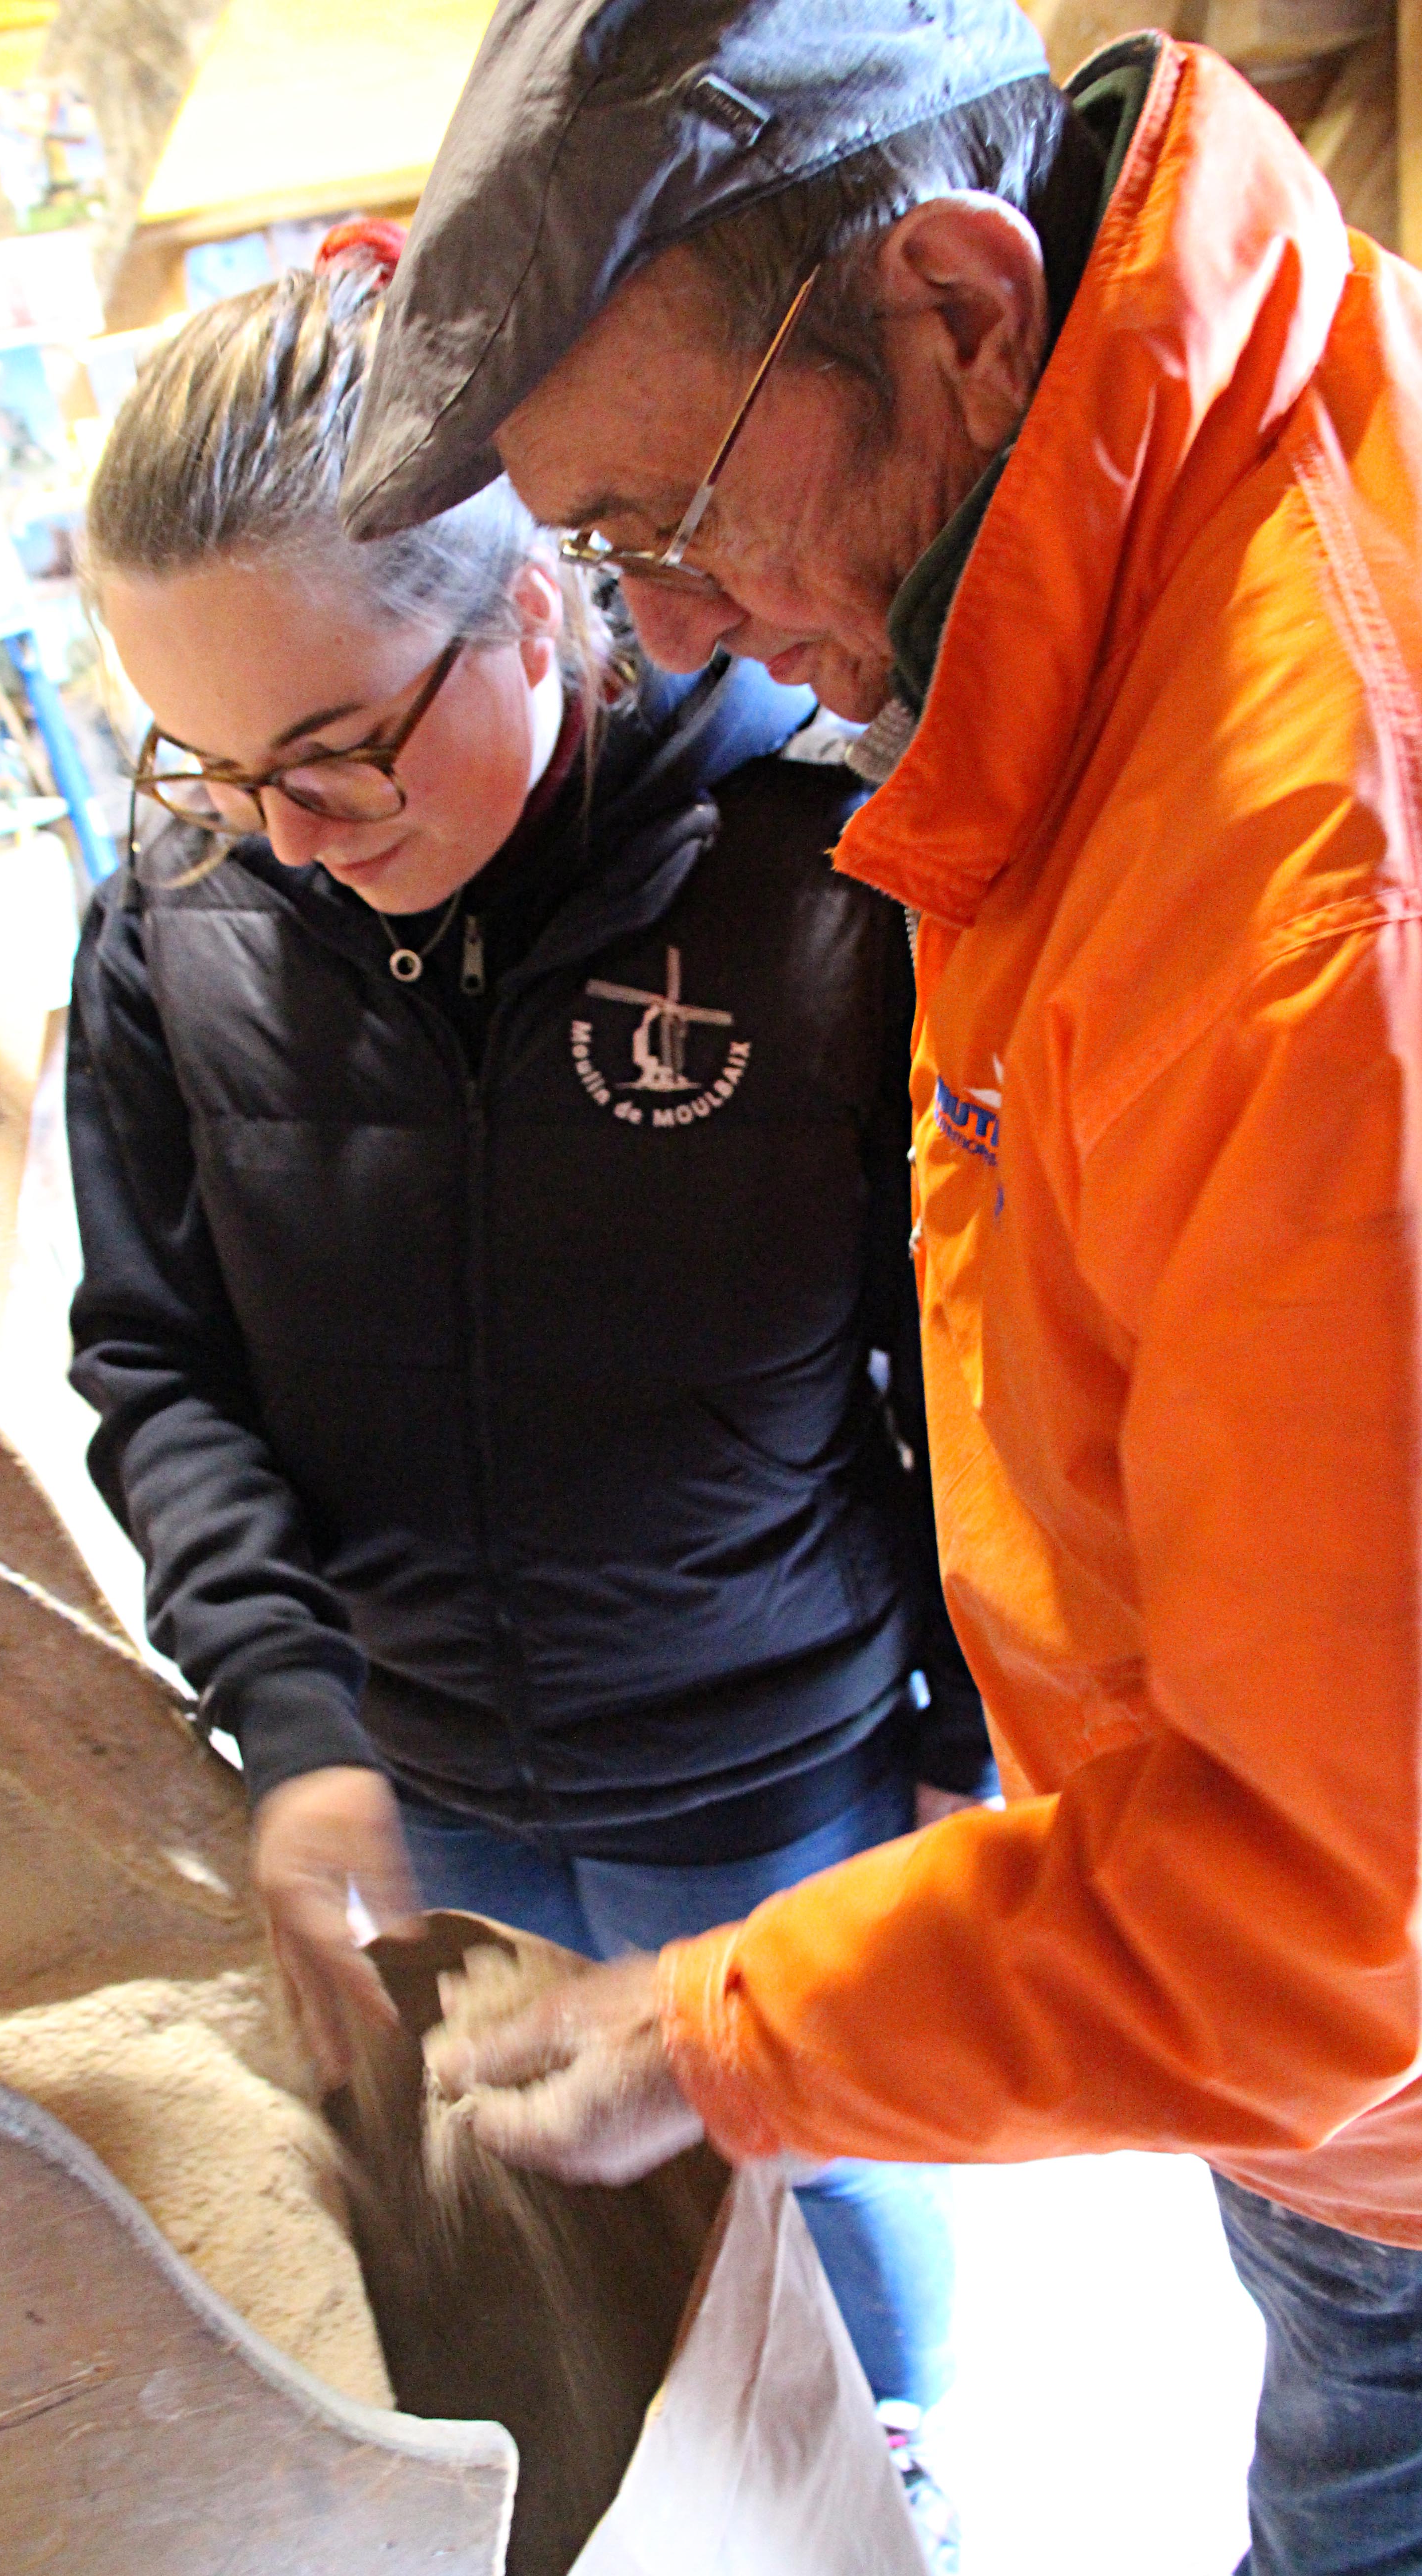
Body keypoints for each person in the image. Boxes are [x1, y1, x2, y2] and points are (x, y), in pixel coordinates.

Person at [339, 6, 1422, 2570]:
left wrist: (722, 2029)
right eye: (605, 566)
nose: (683, 627)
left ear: (952, 309)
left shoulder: (1314, 904)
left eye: (674, 516)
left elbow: (1332, 1912)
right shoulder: (1112, 574)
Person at [67, 234, 996, 2559]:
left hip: (768, 1758)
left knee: (829, 2208)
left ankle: (900, 2470)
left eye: (334, 745)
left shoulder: (824, 862)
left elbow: (970, 1359)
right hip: (416, 1773)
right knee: (550, 2245)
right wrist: (291, 1716)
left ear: (536, 606)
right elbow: (155, 1354)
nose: (275, 830)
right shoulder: (177, 927)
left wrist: (970, 1748)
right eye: (196, 759)